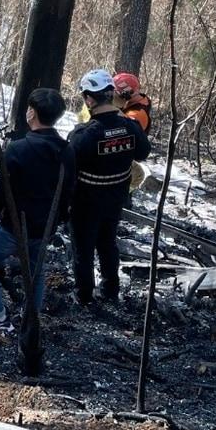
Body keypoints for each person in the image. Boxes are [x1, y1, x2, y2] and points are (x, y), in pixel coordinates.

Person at [0, 88, 75, 333]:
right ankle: (31, 319)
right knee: (35, 271)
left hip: (16, 224)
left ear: (31, 113)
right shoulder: (66, 149)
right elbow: (70, 188)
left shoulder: (18, 149)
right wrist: (61, 216)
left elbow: (1, 190)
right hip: (46, 224)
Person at [65, 69, 150, 306]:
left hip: (86, 201)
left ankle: (83, 294)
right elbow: (143, 153)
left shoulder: (83, 135)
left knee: (83, 247)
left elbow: (69, 170)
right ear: (111, 94)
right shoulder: (131, 126)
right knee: (107, 241)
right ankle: (110, 289)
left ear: (89, 99)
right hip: (116, 196)